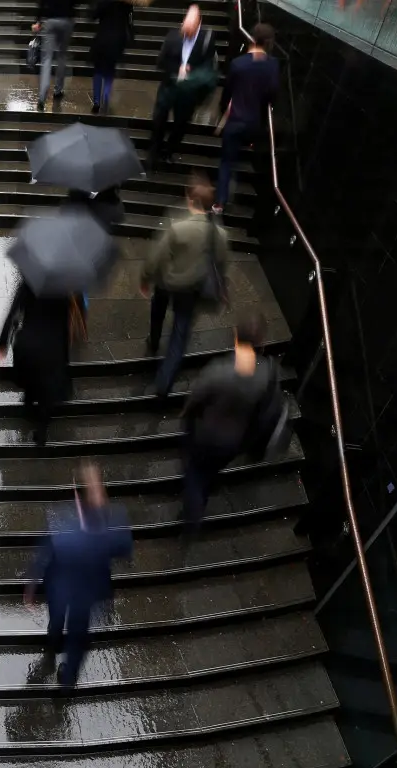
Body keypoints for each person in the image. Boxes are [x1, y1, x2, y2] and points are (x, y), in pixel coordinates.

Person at [24, 463, 132, 689]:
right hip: (75, 590)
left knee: (72, 632)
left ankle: (63, 667)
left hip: (74, 591)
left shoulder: (63, 524)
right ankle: (60, 660)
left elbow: (43, 556)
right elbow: (123, 549)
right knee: (66, 629)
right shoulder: (110, 522)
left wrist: (32, 586)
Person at [180, 313, 278, 527]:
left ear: (236, 338)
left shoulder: (218, 371)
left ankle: (192, 515)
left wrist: (186, 420)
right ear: (260, 343)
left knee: (196, 474)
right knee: (209, 472)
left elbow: (196, 400)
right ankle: (203, 493)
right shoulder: (265, 374)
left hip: (206, 435)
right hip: (232, 442)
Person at [140, 178, 228, 397]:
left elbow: (157, 256)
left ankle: (153, 339)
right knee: (180, 335)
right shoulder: (219, 235)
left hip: (167, 281)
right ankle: (164, 383)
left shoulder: (178, 228)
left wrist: (145, 277)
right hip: (191, 289)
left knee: (157, 307)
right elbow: (220, 264)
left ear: (192, 201)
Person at [0, 282, 86, 446]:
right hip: (52, 345)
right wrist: (64, 352)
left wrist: (3, 342)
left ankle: (28, 404)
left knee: (31, 375)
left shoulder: (29, 282)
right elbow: (65, 323)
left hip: (30, 341)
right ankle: (41, 431)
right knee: (47, 387)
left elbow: (14, 310)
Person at [215, 23, 279, 211]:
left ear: (251, 39)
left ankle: (220, 202)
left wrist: (222, 110)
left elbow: (228, 92)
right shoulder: (272, 65)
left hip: (235, 119)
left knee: (226, 161)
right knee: (238, 153)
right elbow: (273, 93)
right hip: (254, 122)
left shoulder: (238, 64)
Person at [149, 5, 218, 171]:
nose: (186, 31)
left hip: (188, 93)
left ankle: (169, 151)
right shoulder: (173, 36)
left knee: (180, 124)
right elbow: (160, 62)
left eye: (190, 28)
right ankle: (154, 152)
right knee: (159, 120)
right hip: (168, 87)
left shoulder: (207, 39)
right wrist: (177, 69)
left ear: (198, 24)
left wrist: (191, 72)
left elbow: (208, 67)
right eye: (184, 27)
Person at [32, 0, 78, 111]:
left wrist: (38, 21)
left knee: (46, 59)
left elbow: (41, 3)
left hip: (50, 20)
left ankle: (42, 96)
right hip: (66, 20)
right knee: (62, 56)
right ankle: (58, 90)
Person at [89, 0, 132, 114]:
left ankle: (97, 101)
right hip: (117, 40)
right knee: (110, 70)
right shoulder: (126, 3)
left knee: (98, 70)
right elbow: (129, 22)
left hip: (102, 38)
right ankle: (106, 94)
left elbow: (93, 15)